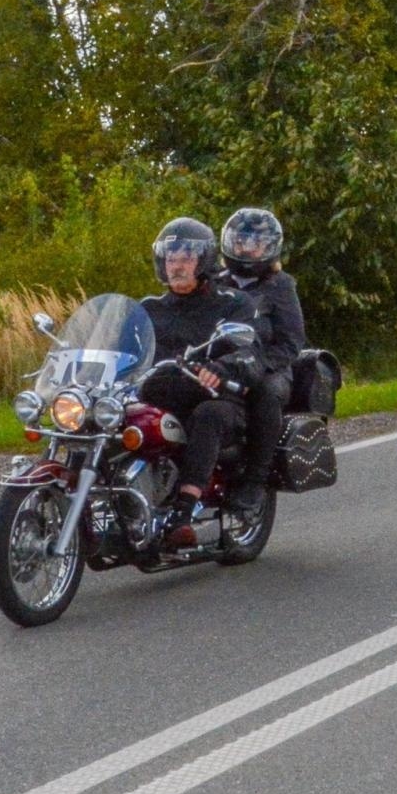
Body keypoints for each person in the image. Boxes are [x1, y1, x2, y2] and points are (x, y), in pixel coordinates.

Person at [140, 217, 263, 548]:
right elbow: (120, 347)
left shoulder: (232, 303)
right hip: (162, 392)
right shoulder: (148, 309)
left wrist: (222, 367)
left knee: (208, 415)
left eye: (185, 258)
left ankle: (184, 511)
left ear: (204, 261)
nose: (176, 265)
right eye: (171, 258)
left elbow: (250, 353)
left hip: (219, 398)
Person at [217, 208, 306, 513]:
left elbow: (292, 341)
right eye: (240, 240)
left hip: (271, 367)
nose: (246, 248)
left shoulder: (280, 286)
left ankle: (256, 479)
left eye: (255, 242)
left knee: (265, 395)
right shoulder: (214, 283)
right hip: (224, 363)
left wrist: (257, 366)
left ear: (269, 247)